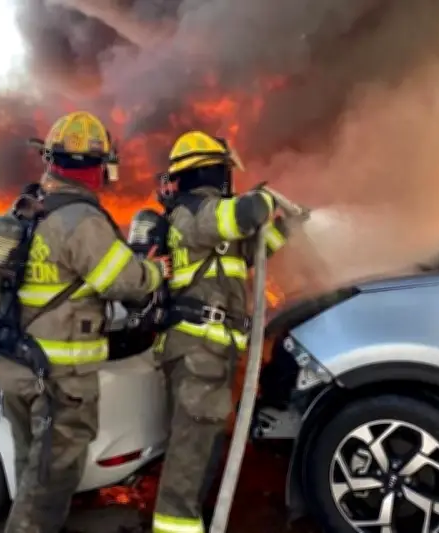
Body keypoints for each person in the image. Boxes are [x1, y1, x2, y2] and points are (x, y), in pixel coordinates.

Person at [0, 111, 172, 533]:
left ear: (50, 160)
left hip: (15, 369)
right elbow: (125, 282)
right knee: (51, 483)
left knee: (30, 472)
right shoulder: (82, 222)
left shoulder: (24, 211)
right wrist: (156, 272)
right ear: (100, 168)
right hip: (59, 378)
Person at [150, 131, 294, 533]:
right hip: (198, 350)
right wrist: (266, 198)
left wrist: (287, 229)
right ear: (214, 172)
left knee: (203, 456)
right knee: (188, 466)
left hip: (211, 351)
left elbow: (250, 255)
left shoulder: (208, 222)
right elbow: (245, 214)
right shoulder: (197, 212)